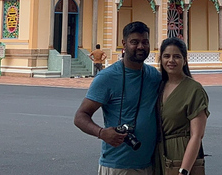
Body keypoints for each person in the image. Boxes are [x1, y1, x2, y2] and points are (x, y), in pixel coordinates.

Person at [74, 22, 161, 175]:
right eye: (134, 42)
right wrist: (101, 133)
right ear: (124, 44)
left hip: (149, 164)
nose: (141, 46)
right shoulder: (107, 77)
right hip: (117, 166)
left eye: (145, 42)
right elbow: (80, 116)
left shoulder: (154, 76)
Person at [154, 37, 209, 175]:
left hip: (181, 155)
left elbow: (196, 135)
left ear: (184, 60)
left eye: (176, 56)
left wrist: (184, 170)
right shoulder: (159, 86)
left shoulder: (193, 90)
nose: (171, 61)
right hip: (159, 154)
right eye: (166, 56)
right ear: (161, 59)